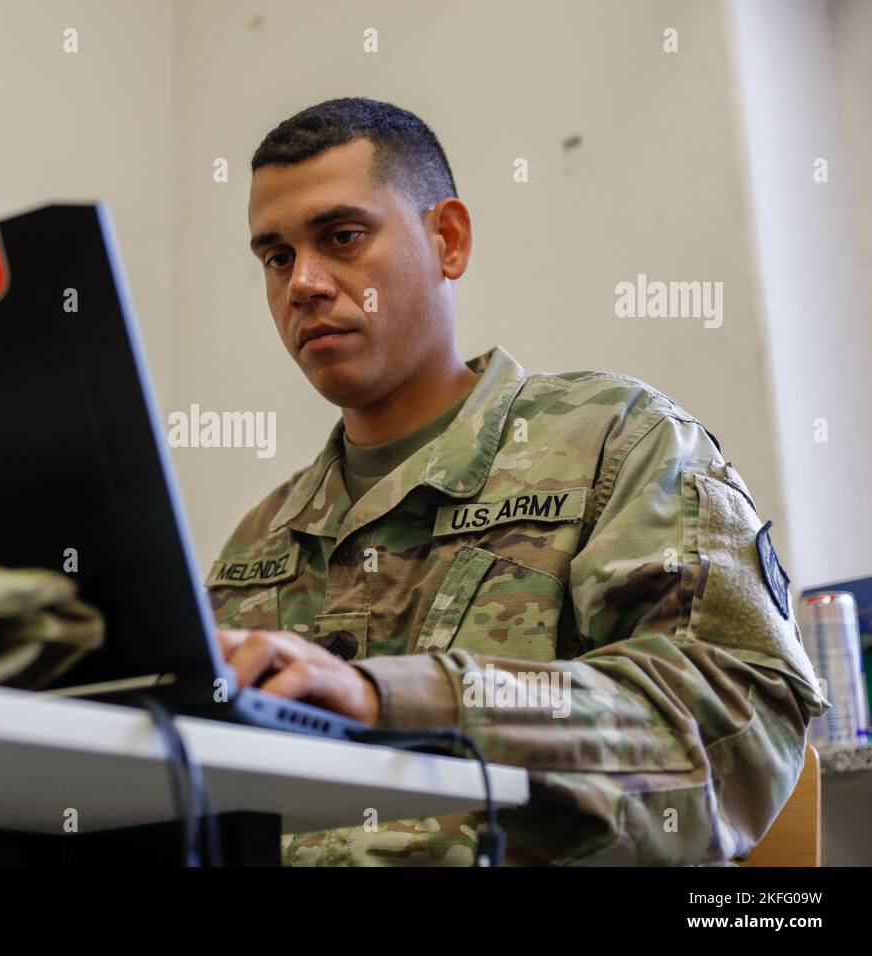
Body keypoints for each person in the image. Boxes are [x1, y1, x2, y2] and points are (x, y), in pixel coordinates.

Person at [207, 97, 828, 866]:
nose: (302, 283)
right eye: (276, 257)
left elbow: (729, 718)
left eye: (341, 237)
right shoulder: (257, 543)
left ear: (448, 239)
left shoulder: (616, 443)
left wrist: (401, 699)